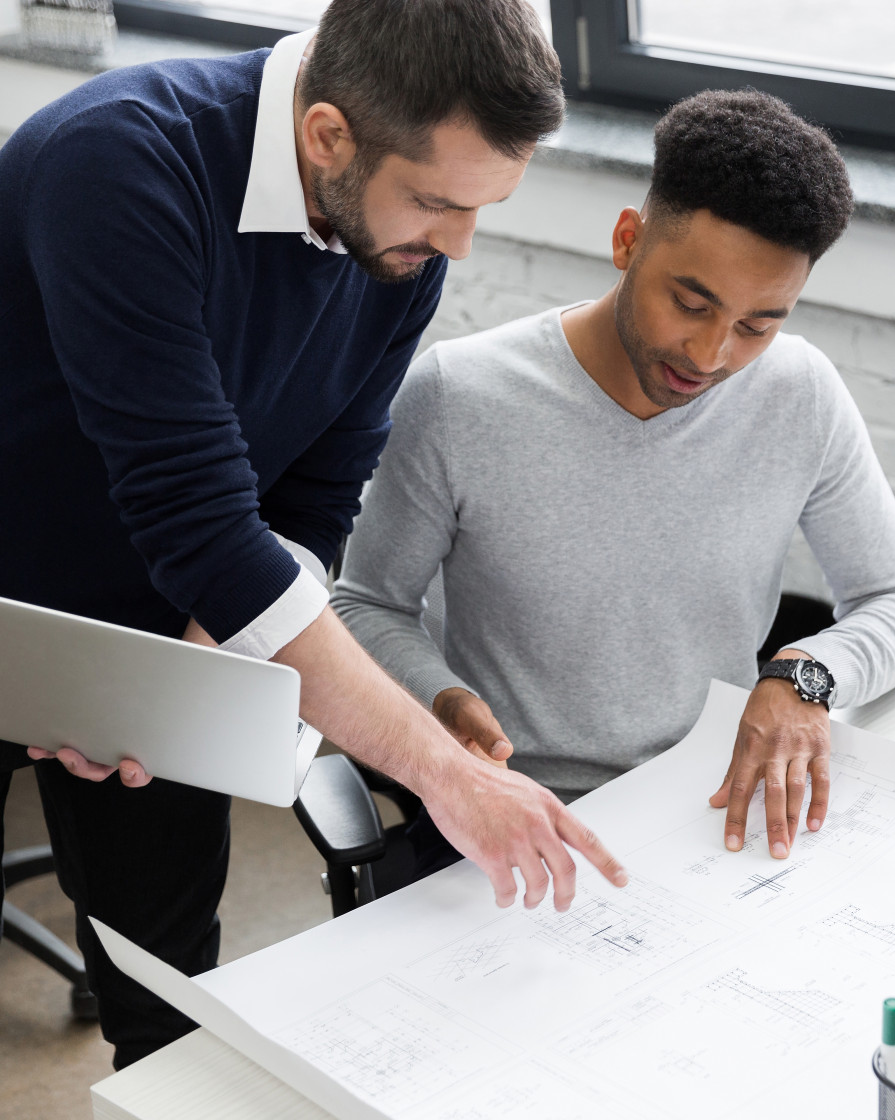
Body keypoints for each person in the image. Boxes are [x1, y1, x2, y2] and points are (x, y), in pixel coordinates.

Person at [0, 0, 627, 1069]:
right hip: (33, 574)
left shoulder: (396, 249)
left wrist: (190, 671)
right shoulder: (116, 166)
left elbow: (312, 503)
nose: (456, 248)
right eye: (436, 203)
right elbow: (201, 520)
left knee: (169, 1009)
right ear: (328, 135)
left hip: (156, 639)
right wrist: (444, 772)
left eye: (482, 208)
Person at [332, 88, 895, 881]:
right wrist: (441, 698)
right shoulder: (459, 396)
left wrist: (805, 679)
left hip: (710, 805)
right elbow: (366, 605)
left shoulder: (800, 393)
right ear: (628, 240)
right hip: (516, 807)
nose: (713, 353)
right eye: (691, 302)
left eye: (760, 323)